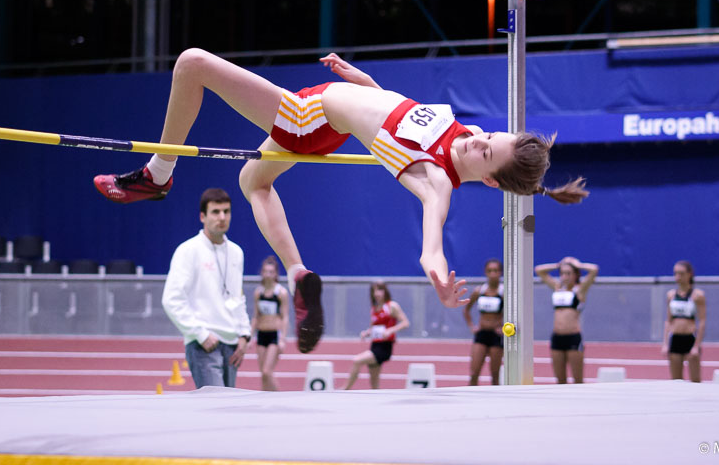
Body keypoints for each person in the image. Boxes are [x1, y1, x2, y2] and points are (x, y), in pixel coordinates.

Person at [95, 49, 588, 352]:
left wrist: (438, 276)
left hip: (307, 116)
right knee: (253, 183)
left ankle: (158, 174)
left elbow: (431, 245)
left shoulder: (436, 181)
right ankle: (297, 273)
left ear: (491, 183)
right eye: (490, 136)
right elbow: (396, 111)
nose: (476, 141)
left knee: (192, 63)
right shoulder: (465, 133)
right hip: (331, 122)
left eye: (484, 153)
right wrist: (362, 80)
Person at [161, 187, 251, 389]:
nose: (222, 217)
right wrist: (200, 334)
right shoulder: (188, 250)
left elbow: (237, 296)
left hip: (233, 345)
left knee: (228, 411)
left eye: (226, 212)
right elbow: (171, 299)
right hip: (204, 345)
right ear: (203, 216)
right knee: (215, 412)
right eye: (215, 212)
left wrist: (244, 335)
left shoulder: (236, 252)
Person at [535, 256, 598, 384]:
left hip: (573, 337)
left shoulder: (580, 290)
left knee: (578, 381)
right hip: (557, 338)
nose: (565, 276)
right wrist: (559, 265)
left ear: (575, 275)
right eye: (563, 273)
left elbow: (594, 270)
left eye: (569, 273)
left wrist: (577, 265)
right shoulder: (557, 288)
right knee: (560, 381)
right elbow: (539, 270)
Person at [344, 281, 409, 390]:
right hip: (374, 344)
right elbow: (373, 326)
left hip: (384, 347)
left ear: (385, 291)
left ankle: (345, 389)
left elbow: (405, 323)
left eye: (379, 290)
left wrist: (390, 330)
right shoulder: (374, 308)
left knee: (357, 360)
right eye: (374, 291)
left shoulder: (392, 306)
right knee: (374, 381)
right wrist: (367, 332)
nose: (376, 293)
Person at [662, 260, 706, 382]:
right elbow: (668, 321)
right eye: (675, 273)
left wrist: (697, 346)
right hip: (675, 339)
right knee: (676, 381)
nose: (678, 277)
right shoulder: (671, 295)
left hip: (690, 339)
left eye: (681, 273)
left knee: (695, 381)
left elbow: (702, 321)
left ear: (689, 274)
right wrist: (665, 344)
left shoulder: (698, 295)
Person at [463, 258, 505, 386]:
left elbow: (514, 314)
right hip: (481, 334)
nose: (493, 274)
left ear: (501, 273)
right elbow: (466, 310)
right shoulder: (479, 291)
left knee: (495, 376)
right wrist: (472, 326)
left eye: (496, 271)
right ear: (486, 272)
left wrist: (503, 327)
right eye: (490, 271)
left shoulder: (504, 292)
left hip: (496, 336)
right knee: (474, 373)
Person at [249, 256, 289, 391]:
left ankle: (279, 398)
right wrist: (249, 336)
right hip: (261, 334)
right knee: (263, 374)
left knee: (267, 371)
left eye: (271, 272)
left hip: (274, 335)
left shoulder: (280, 293)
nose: (268, 274)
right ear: (262, 273)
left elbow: (284, 317)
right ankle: (265, 399)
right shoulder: (258, 292)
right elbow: (256, 316)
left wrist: (282, 339)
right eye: (265, 271)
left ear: (276, 274)